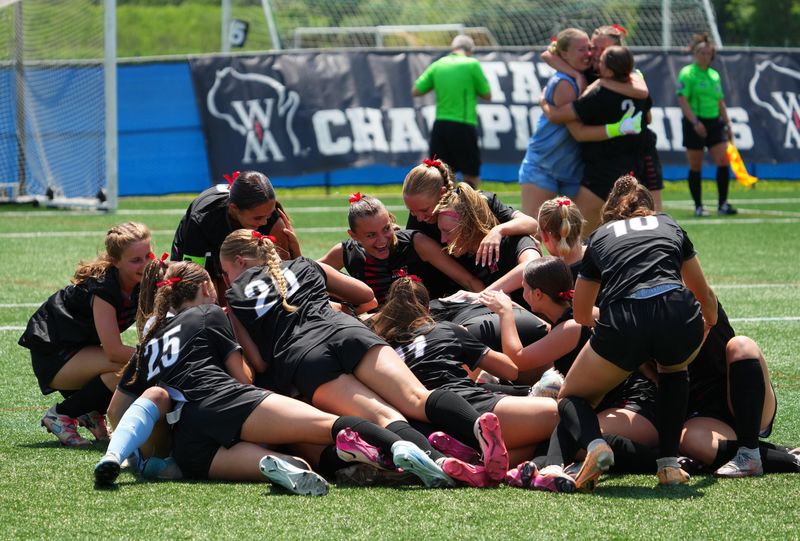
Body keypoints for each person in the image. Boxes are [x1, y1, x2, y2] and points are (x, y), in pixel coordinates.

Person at [94, 261, 463, 493]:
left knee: (292, 463)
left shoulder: (147, 342)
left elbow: (117, 409)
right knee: (331, 425)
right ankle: (404, 448)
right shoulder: (209, 315)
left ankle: (279, 469)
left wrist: (154, 444)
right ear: (207, 289)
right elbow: (242, 378)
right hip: (226, 401)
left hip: (189, 442)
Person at [219, 230, 510, 487]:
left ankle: (437, 460)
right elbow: (365, 293)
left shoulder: (234, 295)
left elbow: (258, 363)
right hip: (346, 330)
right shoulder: (304, 264)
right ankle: (475, 427)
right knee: (417, 397)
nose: (226, 278)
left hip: (304, 356)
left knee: (383, 417)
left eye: (225, 271)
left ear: (240, 263)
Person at [542, 175, 718, 491]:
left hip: (625, 320)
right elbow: (703, 294)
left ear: (612, 210)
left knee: (570, 396)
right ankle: (668, 466)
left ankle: (596, 445)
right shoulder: (669, 224)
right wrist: (706, 322)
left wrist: (620, 338)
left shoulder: (600, 237)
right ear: (649, 208)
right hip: (679, 315)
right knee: (674, 371)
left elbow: (582, 314)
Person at [480, 257, 660, 491]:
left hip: (634, 408)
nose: (519, 292)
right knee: (565, 419)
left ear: (537, 294)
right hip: (610, 404)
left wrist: (505, 313)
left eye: (523, 287)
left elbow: (518, 359)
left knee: (572, 429)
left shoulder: (572, 326)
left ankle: (545, 467)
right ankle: (533, 468)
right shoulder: (579, 314)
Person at [370, 276, 560, 482]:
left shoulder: (383, 348)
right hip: (468, 407)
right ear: (427, 309)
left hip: (424, 425)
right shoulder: (446, 329)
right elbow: (510, 371)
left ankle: (475, 464)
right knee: (563, 416)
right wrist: (505, 313)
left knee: (539, 434)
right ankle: (502, 463)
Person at [18, 222, 151, 446]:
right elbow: (114, 351)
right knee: (133, 365)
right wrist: (156, 356)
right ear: (115, 261)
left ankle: (90, 411)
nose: (145, 264)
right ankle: (60, 415)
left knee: (136, 364)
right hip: (55, 356)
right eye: (136, 260)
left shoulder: (140, 281)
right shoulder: (104, 289)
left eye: (148, 255)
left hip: (81, 350)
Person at [542, 24, 663, 213]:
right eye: (593, 47)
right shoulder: (594, 73)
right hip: (610, 158)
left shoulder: (612, 84)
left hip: (626, 157)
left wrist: (543, 101)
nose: (595, 53)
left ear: (617, 52)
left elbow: (644, 101)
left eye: (603, 49)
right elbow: (548, 55)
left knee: (649, 220)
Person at [521, 28, 640, 219]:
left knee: (572, 233)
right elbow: (575, 129)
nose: (589, 54)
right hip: (544, 166)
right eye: (582, 50)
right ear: (564, 53)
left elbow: (642, 93)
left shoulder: (600, 74)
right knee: (533, 230)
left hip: (574, 169)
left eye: (589, 49)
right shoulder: (566, 81)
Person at [681, 304, 799, 477]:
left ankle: (750, 450)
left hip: (744, 397)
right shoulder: (637, 308)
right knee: (691, 441)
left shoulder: (695, 296)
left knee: (742, 345)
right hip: (704, 415)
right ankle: (788, 456)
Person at [318, 193, 483, 305]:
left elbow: (468, 280)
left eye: (385, 229)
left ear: (390, 221)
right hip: (374, 326)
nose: (382, 241)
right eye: (371, 235)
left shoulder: (416, 243)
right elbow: (304, 274)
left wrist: (493, 304)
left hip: (426, 321)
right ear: (353, 235)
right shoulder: (344, 252)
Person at [170, 170, 296, 298]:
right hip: (205, 248)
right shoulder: (202, 220)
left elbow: (289, 277)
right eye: (257, 218)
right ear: (234, 208)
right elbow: (195, 278)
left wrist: (295, 249)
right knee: (201, 296)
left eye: (268, 215)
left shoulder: (273, 220)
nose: (264, 222)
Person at [434, 182, 541, 306]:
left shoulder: (511, 240)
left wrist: (482, 295)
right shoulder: (462, 256)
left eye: (447, 231)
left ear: (468, 227)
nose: (442, 239)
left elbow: (531, 265)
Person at [412, 35, 491, 187]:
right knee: (471, 175)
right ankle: (471, 208)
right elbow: (487, 94)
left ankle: (444, 209)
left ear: (453, 49)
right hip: (464, 125)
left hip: (441, 126)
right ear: (470, 50)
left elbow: (416, 90)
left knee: (442, 176)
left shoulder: (438, 65)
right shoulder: (471, 64)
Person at [676, 33, 737, 217]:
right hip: (695, 122)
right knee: (696, 165)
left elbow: (720, 102)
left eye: (708, 53)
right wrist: (695, 122)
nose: (705, 56)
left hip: (714, 123)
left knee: (723, 160)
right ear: (695, 53)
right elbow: (683, 100)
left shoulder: (714, 75)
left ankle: (723, 204)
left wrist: (727, 125)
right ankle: (698, 206)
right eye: (701, 52)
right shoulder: (687, 73)